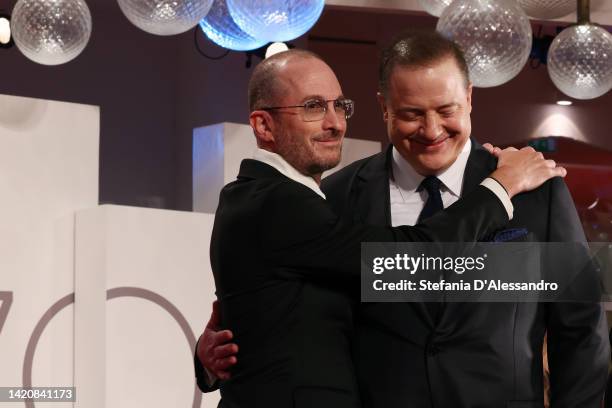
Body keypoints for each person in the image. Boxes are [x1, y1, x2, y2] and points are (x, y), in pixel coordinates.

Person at [195, 47, 572, 408]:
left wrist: (207, 357)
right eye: (313, 107)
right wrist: (500, 187)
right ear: (264, 125)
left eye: (339, 106)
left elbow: (578, 328)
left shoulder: (286, 201)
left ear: (469, 99)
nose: (334, 123)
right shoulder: (287, 203)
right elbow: (412, 255)